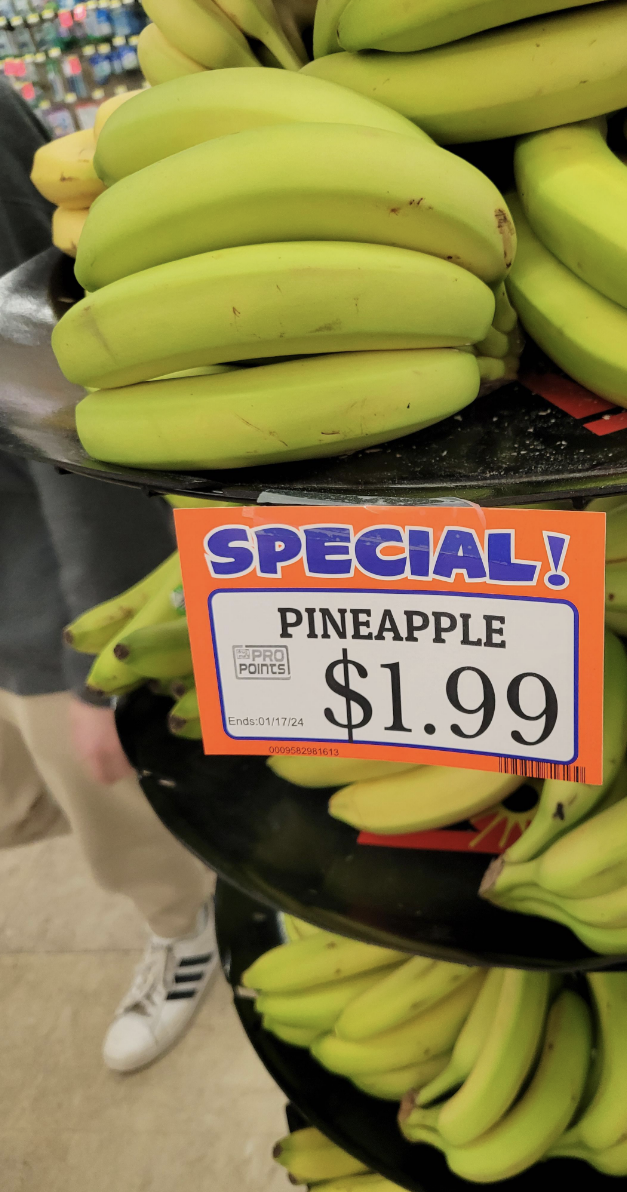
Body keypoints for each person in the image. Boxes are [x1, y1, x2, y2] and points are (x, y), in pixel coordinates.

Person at [0, 77, 218, 1072]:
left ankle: (182, 925)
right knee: (20, 802)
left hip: (35, 573)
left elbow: (52, 362)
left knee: (111, 799)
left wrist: (106, 655)